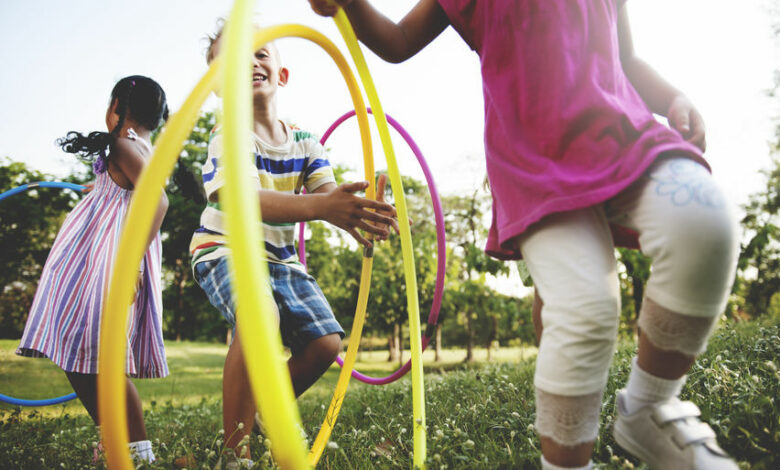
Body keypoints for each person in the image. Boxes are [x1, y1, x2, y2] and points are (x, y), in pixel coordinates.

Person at [308, 1, 740, 469]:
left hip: (623, 133)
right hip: (538, 161)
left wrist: (673, 96)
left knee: (705, 224)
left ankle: (650, 405)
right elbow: (398, 40)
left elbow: (626, 57)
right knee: (584, 307)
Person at [190, 24, 398, 468]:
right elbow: (246, 201)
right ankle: (234, 451)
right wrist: (324, 206)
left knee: (325, 344)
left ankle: (262, 412)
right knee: (259, 314)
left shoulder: (305, 142)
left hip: (281, 259)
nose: (249, 62)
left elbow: (330, 196)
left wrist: (365, 212)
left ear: (282, 75)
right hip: (226, 248)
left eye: (260, 53)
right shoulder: (227, 134)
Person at [16, 75, 171, 464]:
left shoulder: (121, 143)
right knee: (95, 355)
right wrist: (102, 186)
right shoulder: (145, 150)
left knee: (88, 353)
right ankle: (126, 444)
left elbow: (157, 200)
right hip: (104, 257)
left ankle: (130, 445)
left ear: (116, 106)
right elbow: (126, 191)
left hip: (104, 261)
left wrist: (131, 261)